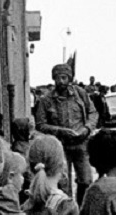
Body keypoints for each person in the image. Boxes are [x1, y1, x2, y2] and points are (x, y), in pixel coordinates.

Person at [34, 63, 98, 205]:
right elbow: (40, 124)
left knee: (86, 180)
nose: (61, 81)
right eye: (58, 78)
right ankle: (66, 211)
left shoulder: (80, 94)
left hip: (81, 144)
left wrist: (86, 129)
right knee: (63, 182)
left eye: (64, 78)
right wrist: (60, 131)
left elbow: (93, 113)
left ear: (70, 78)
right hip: (60, 146)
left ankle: (82, 212)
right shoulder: (46, 100)